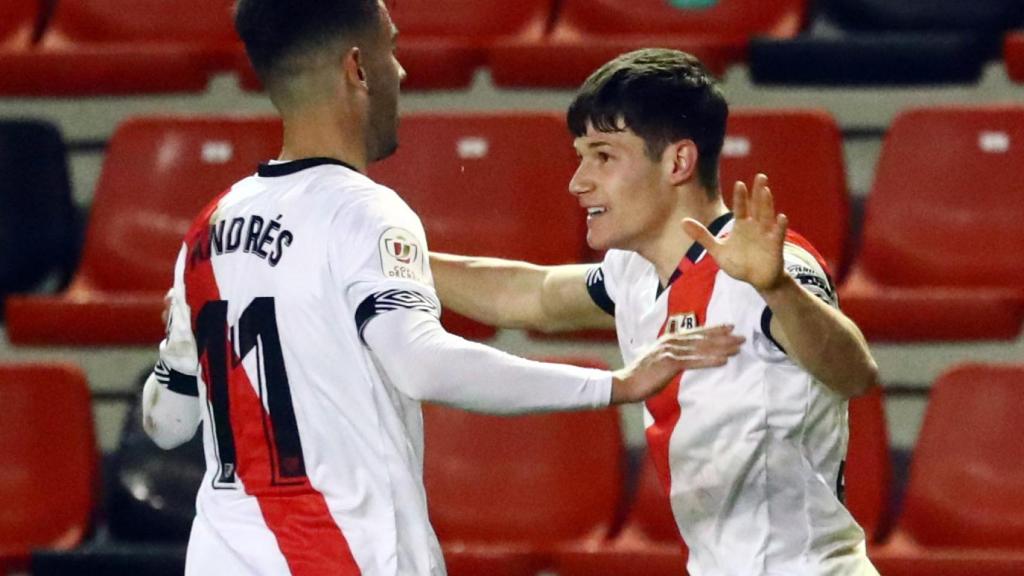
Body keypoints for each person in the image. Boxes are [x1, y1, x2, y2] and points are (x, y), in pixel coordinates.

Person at [140, 4, 744, 576]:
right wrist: (613, 384)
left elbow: (166, 423)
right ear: (357, 69)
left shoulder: (207, 231)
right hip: (346, 555)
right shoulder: (364, 212)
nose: (399, 70)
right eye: (391, 50)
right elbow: (422, 363)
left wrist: (176, 348)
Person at [430, 48, 881, 576]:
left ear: (677, 162)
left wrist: (778, 287)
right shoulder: (634, 272)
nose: (579, 181)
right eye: (580, 155)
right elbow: (532, 295)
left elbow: (853, 373)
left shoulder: (764, 268)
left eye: (603, 155)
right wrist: (389, 254)